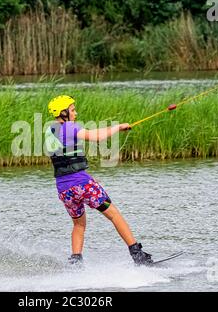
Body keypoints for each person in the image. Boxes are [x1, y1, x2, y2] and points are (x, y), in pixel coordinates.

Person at [45, 95, 153, 266]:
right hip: (83, 185)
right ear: (63, 113)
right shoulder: (70, 127)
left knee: (79, 225)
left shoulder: (50, 131)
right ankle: (137, 255)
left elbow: (65, 158)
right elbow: (96, 137)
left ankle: (76, 263)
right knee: (114, 215)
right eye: (72, 110)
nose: (76, 113)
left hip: (64, 190)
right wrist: (118, 127)